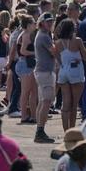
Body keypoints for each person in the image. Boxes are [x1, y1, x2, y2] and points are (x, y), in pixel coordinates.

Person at [55, 18, 86, 130]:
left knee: (65, 105)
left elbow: (57, 57)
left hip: (63, 71)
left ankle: (66, 131)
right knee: (74, 105)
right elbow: (85, 56)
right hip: (76, 72)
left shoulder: (58, 43)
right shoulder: (77, 41)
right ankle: (72, 131)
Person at [33, 13, 57, 143]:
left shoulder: (43, 35)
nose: (50, 24)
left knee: (43, 101)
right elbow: (54, 51)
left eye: (51, 22)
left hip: (42, 71)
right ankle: (40, 131)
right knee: (47, 101)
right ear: (41, 23)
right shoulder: (44, 36)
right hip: (45, 72)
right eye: (48, 22)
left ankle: (39, 129)